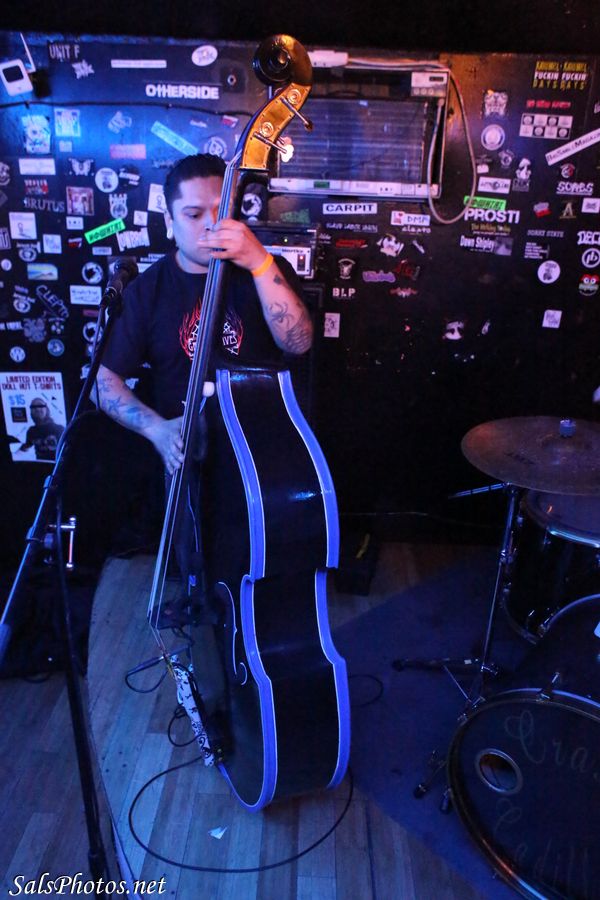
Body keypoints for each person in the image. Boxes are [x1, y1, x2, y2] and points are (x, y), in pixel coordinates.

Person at [97, 153, 313, 475]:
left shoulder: (269, 270)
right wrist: (156, 429)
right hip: (187, 460)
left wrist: (259, 261)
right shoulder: (147, 291)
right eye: (194, 214)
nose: (212, 224)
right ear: (170, 222)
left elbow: (298, 343)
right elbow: (102, 381)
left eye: (221, 211)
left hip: (260, 453)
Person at [18, 397, 64, 461]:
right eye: (34, 407)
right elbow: (26, 447)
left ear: (46, 409)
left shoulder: (59, 429)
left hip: (57, 465)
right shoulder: (31, 431)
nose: (37, 409)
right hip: (41, 465)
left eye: (40, 406)